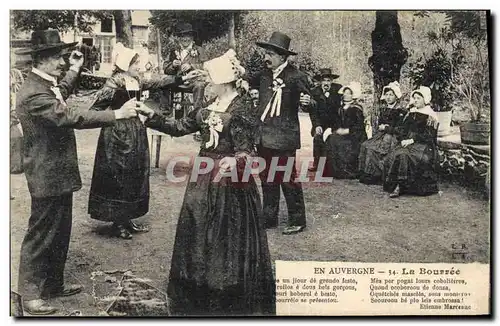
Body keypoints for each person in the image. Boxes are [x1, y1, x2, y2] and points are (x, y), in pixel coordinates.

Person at [138, 49, 275, 316]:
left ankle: (225, 292)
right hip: (203, 177)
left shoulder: (241, 110)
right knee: (199, 227)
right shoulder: (207, 108)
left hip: (230, 184)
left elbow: (247, 152)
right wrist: (150, 116)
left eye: (210, 79)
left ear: (223, 82)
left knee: (226, 235)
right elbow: (179, 126)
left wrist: (235, 162)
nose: (206, 84)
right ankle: (199, 289)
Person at [15, 30, 139, 315]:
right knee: (41, 234)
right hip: (46, 174)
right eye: (59, 58)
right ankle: (30, 295)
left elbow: (64, 92)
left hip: (57, 173)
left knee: (59, 232)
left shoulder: (44, 84)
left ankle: (53, 285)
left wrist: (75, 67)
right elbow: (69, 116)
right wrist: (116, 115)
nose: (62, 62)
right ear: (43, 59)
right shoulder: (34, 93)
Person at [88, 43, 204, 240]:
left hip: (135, 131)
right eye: (135, 64)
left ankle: (127, 218)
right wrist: (115, 114)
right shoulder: (114, 83)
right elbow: (94, 110)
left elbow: (159, 81)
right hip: (116, 135)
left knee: (134, 172)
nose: (139, 67)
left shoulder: (137, 79)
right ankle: (118, 222)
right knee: (119, 175)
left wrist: (182, 78)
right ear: (125, 65)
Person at [251, 31, 315, 235]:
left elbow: (313, 101)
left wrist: (307, 103)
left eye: (270, 53)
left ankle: (298, 220)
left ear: (282, 57)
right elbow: (247, 82)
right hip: (263, 137)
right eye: (265, 53)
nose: (266, 57)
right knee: (267, 178)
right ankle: (269, 217)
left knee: (288, 179)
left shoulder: (296, 76)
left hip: (284, 138)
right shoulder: (262, 75)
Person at [383, 86, 440, 198]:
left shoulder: (431, 115)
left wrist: (412, 140)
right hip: (408, 142)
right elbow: (404, 129)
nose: (415, 100)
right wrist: (403, 139)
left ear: (425, 99)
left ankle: (401, 186)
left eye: (418, 98)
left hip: (424, 145)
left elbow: (429, 136)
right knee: (394, 154)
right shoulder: (411, 112)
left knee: (404, 155)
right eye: (414, 98)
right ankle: (397, 185)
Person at [359, 81, 408, 184]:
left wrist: (387, 128)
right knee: (365, 145)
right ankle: (368, 173)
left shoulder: (401, 111)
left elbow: (401, 129)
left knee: (374, 149)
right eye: (387, 95)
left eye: (391, 95)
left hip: (393, 137)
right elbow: (380, 124)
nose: (388, 97)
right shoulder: (384, 109)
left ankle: (378, 176)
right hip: (382, 135)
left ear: (396, 96)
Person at [323, 81, 367, 179]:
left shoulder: (357, 108)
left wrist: (346, 131)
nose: (346, 95)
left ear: (353, 95)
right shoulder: (341, 108)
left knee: (340, 142)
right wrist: (335, 129)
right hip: (343, 133)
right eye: (345, 93)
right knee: (331, 138)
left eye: (349, 93)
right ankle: (333, 171)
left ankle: (345, 171)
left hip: (355, 136)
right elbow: (337, 123)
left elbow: (359, 126)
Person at [163, 22, 208, 110]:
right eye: (182, 36)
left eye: (188, 36)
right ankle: (165, 112)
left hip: (194, 81)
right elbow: (165, 68)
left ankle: (196, 112)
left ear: (192, 37)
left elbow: (206, 66)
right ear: (179, 38)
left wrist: (191, 66)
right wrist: (172, 65)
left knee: (199, 85)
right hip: (178, 80)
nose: (185, 39)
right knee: (163, 83)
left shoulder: (199, 50)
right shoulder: (173, 51)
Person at [308, 68, 342, 172]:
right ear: (320, 81)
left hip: (335, 123)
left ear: (332, 81)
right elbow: (313, 112)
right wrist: (317, 125)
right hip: (320, 124)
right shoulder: (314, 92)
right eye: (324, 80)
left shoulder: (338, 90)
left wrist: (334, 127)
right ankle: (317, 164)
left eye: (328, 80)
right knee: (318, 138)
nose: (326, 83)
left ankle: (334, 166)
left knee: (334, 140)